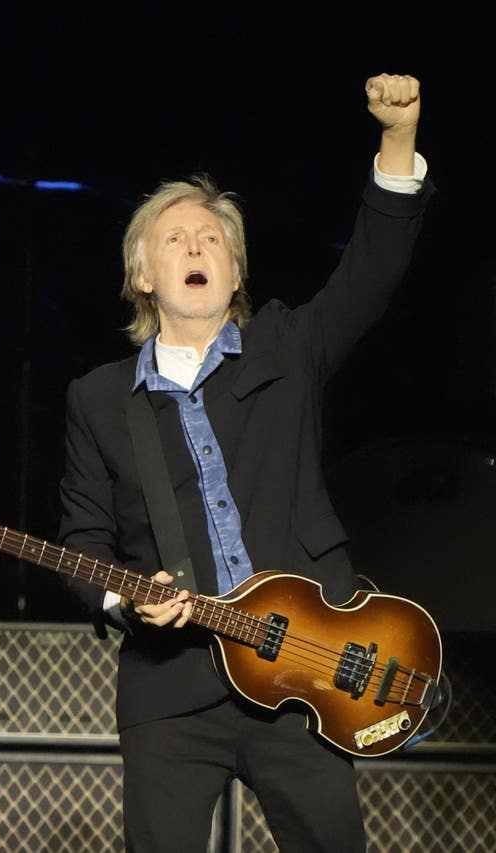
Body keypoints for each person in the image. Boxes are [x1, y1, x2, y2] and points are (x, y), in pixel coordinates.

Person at [57, 73, 434, 852]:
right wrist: (128, 603)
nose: (196, 247)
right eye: (175, 239)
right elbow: (83, 543)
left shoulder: (286, 348)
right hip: (172, 692)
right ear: (143, 275)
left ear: (234, 273)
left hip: (306, 677)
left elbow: (374, 270)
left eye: (213, 240)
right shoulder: (98, 400)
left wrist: (397, 139)